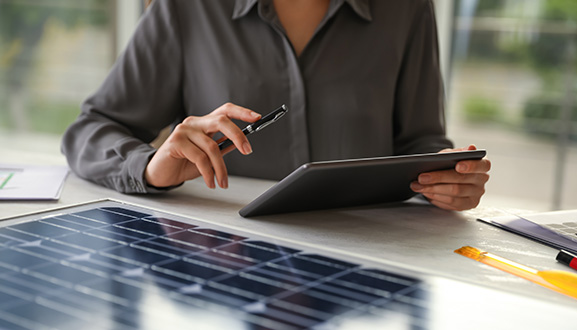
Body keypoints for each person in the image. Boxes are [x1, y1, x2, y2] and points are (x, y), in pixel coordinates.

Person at [62, 0, 491, 211]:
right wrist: (151, 167)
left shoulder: (406, 8)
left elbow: (422, 142)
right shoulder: (188, 6)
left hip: (373, 256)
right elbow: (91, 130)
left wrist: (448, 178)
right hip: (222, 252)